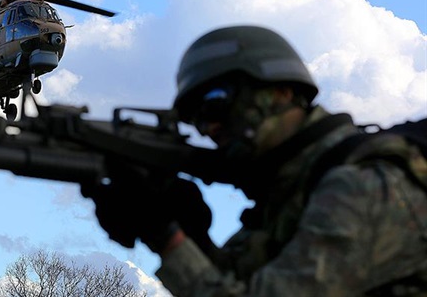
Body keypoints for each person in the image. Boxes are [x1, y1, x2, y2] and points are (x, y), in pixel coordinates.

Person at [88, 25, 427, 296]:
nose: (210, 128)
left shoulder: (361, 186)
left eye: (216, 103)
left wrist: (167, 238)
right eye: (197, 120)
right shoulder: (292, 193)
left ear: (282, 91)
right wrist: (194, 241)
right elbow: (238, 285)